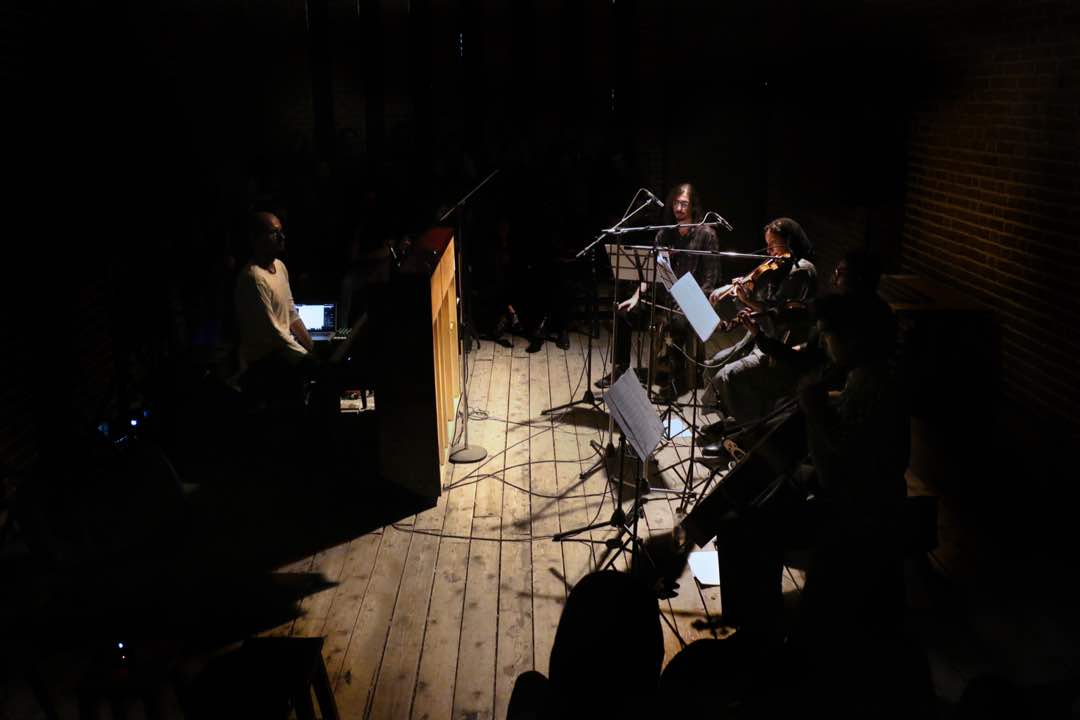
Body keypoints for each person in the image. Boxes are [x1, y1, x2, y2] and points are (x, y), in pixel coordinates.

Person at [699, 217, 816, 450]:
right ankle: (732, 422)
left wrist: (747, 301)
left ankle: (749, 435)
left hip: (780, 345)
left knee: (727, 375)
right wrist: (729, 289)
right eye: (767, 245)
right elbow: (752, 282)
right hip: (759, 335)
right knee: (712, 365)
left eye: (773, 245)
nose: (769, 252)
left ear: (790, 242)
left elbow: (777, 315)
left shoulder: (800, 271)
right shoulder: (779, 264)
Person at [596, 182, 720, 399]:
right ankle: (621, 368)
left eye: (684, 204)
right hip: (663, 298)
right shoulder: (664, 235)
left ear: (693, 206)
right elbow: (650, 274)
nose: (679, 208)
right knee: (624, 312)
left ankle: (676, 381)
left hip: (691, 300)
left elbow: (710, 278)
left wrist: (692, 303)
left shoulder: (706, 235)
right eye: (676, 203)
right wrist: (636, 297)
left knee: (677, 321)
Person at [233, 211, 318, 410]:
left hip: (283, 351)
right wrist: (307, 358)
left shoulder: (280, 266)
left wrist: (311, 346)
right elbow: (274, 333)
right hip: (265, 360)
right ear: (256, 239)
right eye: (274, 233)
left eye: (281, 232)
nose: (282, 237)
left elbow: (291, 312)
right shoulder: (253, 278)